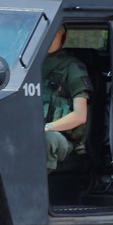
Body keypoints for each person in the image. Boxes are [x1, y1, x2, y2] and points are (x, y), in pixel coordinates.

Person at [42, 26, 92, 172]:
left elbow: (80, 116)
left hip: (61, 137)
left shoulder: (73, 68)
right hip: (29, 130)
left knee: (45, 140)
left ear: (65, 37)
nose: (49, 37)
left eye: (55, 33)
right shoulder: (27, 66)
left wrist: (47, 127)